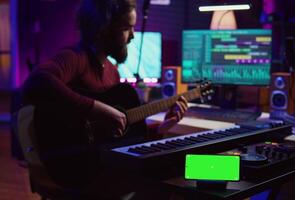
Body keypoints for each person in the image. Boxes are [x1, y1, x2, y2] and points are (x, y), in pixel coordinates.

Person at [22, 0, 188, 199]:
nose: (133, 36)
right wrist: (95, 108)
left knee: (169, 168)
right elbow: (37, 80)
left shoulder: (112, 72)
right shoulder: (75, 58)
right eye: (127, 28)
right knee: (163, 175)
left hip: (100, 162)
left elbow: (115, 134)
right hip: (71, 165)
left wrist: (161, 128)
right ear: (103, 28)